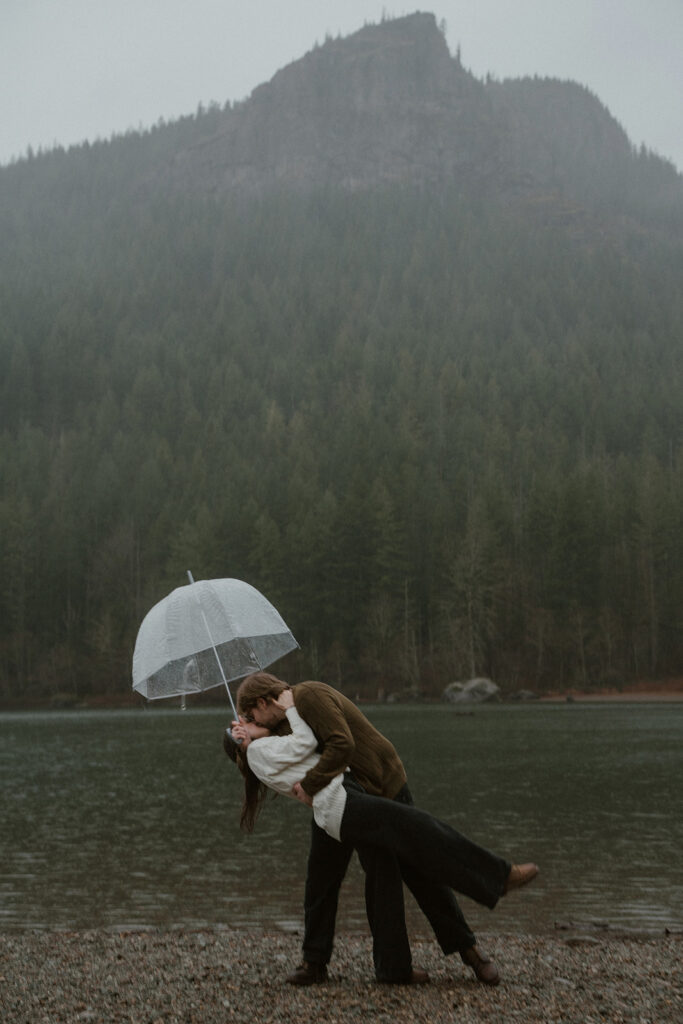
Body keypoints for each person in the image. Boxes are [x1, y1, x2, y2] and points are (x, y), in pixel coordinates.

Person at [229, 673, 538, 987]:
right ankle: (318, 963)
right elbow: (268, 762)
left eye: (251, 715)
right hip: (337, 796)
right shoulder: (279, 721)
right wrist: (242, 744)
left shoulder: (308, 696)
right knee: (322, 880)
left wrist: (308, 786)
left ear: (263, 702)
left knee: (418, 872)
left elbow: (342, 744)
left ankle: (470, 952)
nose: (252, 721)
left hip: (380, 784)